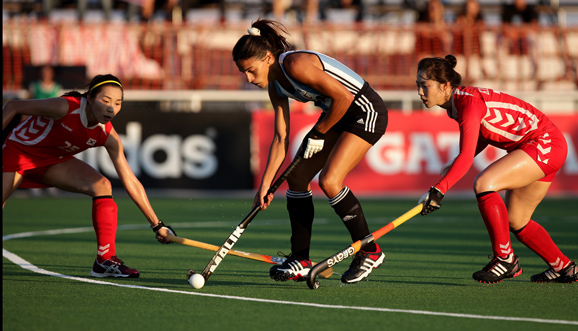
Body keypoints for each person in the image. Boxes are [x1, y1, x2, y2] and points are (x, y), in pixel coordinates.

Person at [232, 19, 389, 285]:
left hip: (365, 110)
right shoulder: (276, 86)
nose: (248, 78)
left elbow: (345, 98)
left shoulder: (295, 65)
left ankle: (370, 251)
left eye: (250, 70)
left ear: (268, 58)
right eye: (243, 73)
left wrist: (318, 133)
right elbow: (281, 138)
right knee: (296, 178)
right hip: (337, 116)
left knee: (329, 180)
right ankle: (301, 258)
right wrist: (266, 184)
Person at [416, 55, 577, 284]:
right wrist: (463, 158)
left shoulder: (467, 104)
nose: (420, 92)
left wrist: (438, 191)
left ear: (444, 86)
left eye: (425, 86)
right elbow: (481, 138)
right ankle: (565, 267)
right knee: (516, 220)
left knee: (484, 183)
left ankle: (505, 258)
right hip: (543, 145)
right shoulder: (458, 103)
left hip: (543, 143)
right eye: (418, 85)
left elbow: (466, 157)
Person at [3, 74, 177, 278]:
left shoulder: (107, 135)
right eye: (105, 101)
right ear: (90, 98)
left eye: (118, 103)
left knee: (102, 185)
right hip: (19, 153)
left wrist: (157, 225)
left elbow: (130, 179)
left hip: (53, 161)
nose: (112, 108)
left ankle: (104, 260)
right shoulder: (65, 107)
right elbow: (13, 106)